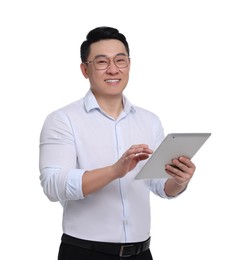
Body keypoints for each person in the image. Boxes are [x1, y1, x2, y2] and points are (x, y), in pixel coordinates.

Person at [39, 26, 196, 260]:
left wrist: (179, 180)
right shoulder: (62, 120)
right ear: (85, 69)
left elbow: (159, 184)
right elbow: (53, 186)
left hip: (141, 253)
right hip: (84, 253)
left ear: (129, 65)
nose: (113, 69)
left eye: (120, 60)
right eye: (101, 62)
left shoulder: (149, 121)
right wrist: (114, 171)